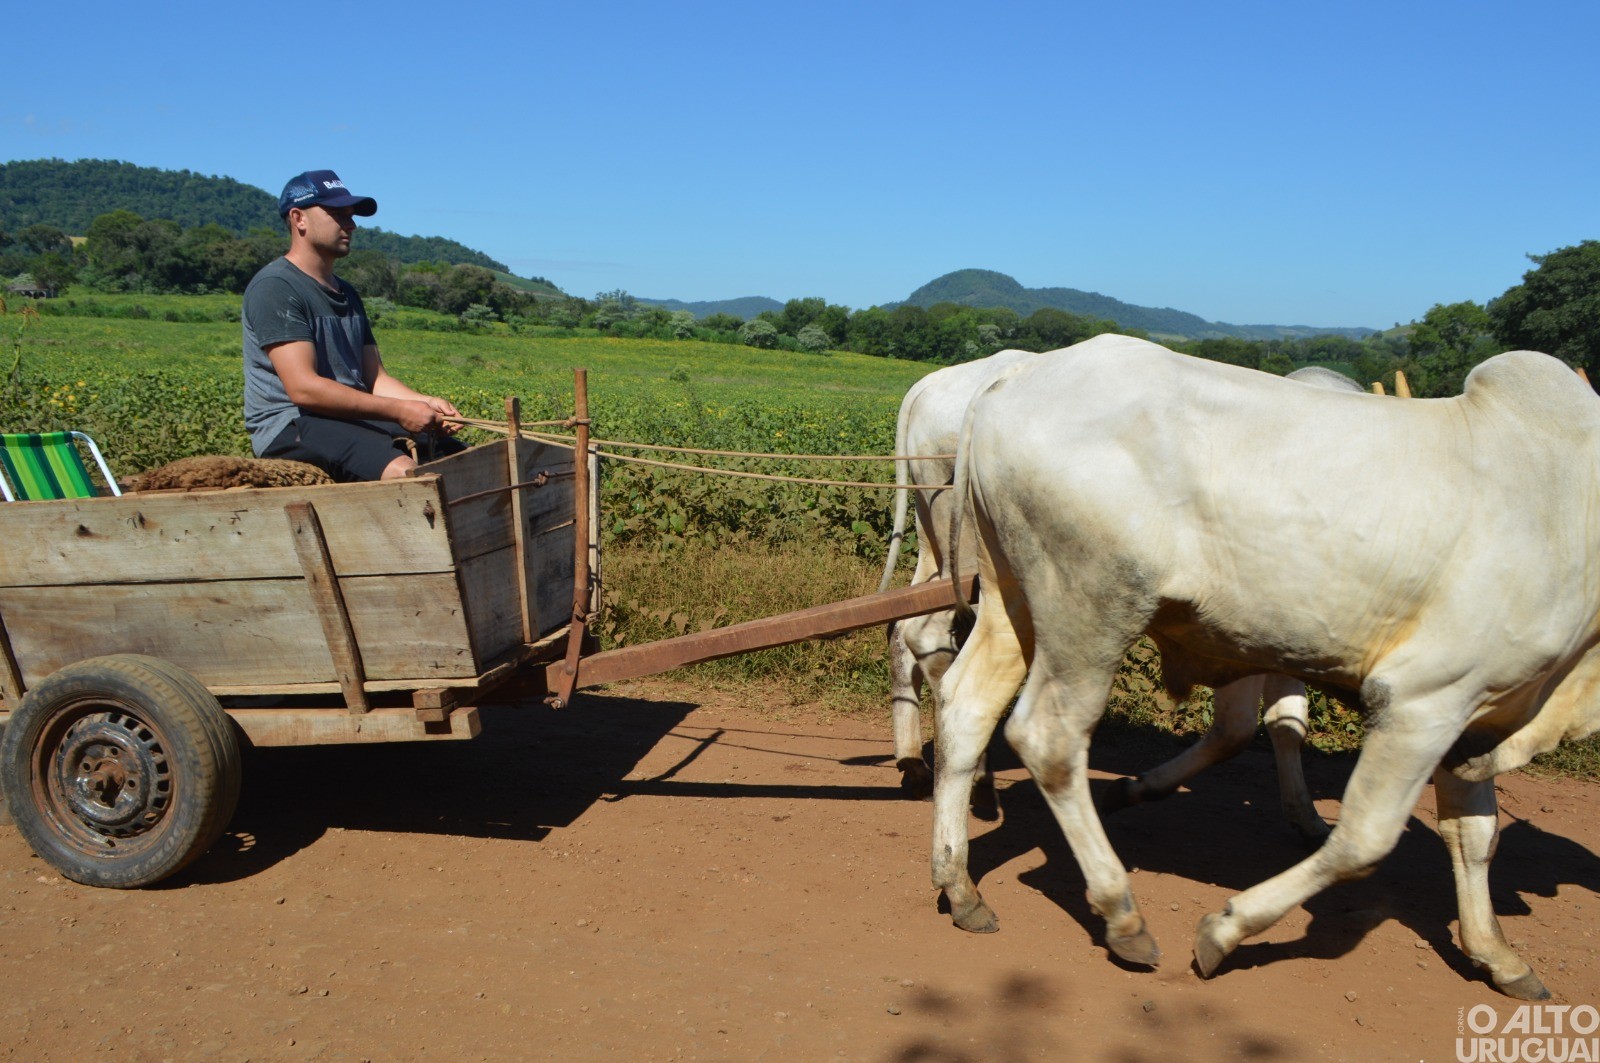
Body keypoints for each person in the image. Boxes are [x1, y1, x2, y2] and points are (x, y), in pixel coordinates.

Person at [242, 169, 463, 482]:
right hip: (292, 424)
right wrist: (400, 411)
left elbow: (374, 378)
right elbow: (303, 389)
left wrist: (424, 403)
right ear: (298, 218)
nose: (351, 225)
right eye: (337, 214)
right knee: (410, 475)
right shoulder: (276, 286)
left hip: (347, 417)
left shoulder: (346, 292)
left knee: (460, 458)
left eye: (351, 215)